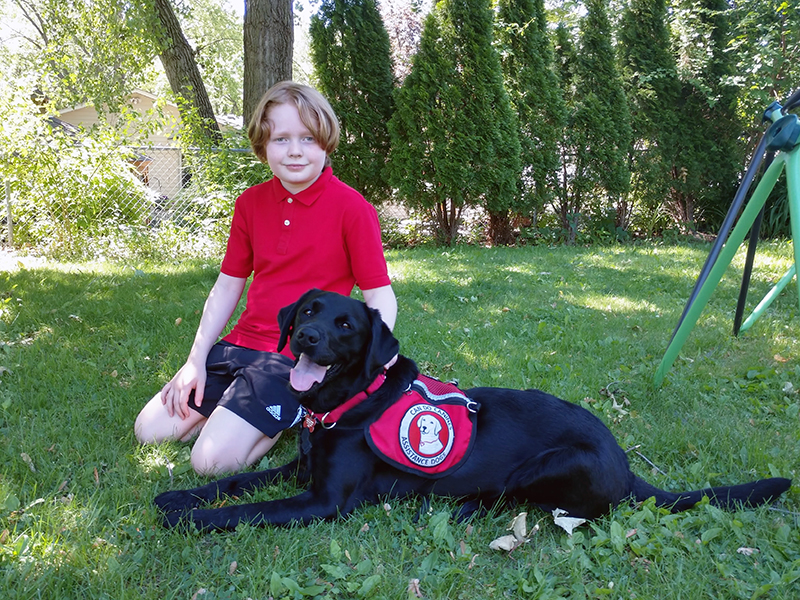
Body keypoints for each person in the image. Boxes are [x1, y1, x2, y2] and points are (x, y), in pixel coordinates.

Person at [135, 81, 397, 475]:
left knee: (208, 462)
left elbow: (379, 294)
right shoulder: (250, 204)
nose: (295, 150)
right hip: (241, 345)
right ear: (262, 146)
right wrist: (195, 361)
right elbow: (227, 286)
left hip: (293, 357)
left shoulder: (352, 209)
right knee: (149, 430)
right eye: (281, 139)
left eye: (308, 138)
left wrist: (375, 358)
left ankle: (285, 414)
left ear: (326, 142)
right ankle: (233, 411)